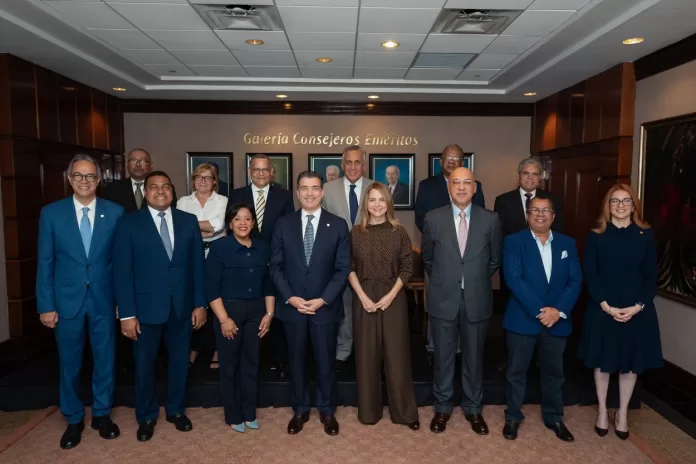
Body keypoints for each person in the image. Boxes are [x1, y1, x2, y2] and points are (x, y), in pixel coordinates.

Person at [36, 154, 124, 449]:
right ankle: (73, 417)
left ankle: (101, 414)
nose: (84, 181)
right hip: (66, 302)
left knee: (105, 360)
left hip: (104, 299)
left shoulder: (115, 212)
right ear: (69, 179)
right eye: (78, 176)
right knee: (70, 362)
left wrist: (122, 302)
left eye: (90, 176)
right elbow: (45, 262)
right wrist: (46, 305)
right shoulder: (51, 213)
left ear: (99, 180)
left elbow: (121, 263)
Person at [113, 170, 207, 442]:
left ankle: (176, 410)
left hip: (181, 307)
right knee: (145, 364)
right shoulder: (129, 224)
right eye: (154, 187)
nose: (161, 191)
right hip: (144, 310)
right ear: (146, 192)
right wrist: (127, 314)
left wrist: (200, 304)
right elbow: (122, 272)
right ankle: (146, 415)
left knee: (180, 362)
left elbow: (197, 267)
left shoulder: (188, 222)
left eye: (166, 186)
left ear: (172, 190)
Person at [421, 167, 502, 435]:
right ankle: (442, 408)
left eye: (467, 182)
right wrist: (450, 278)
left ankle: (473, 408)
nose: (462, 187)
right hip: (444, 299)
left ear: (475, 187)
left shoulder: (491, 219)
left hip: (476, 299)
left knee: (474, 357)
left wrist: (472, 278)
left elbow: (493, 260)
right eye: (456, 182)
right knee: (443, 357)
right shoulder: (433, 218)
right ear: (449, 187)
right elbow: (428, 259)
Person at [578, 184, 663, 440]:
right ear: (608, 205)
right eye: (615, 201)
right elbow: (590, 274)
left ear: (633, 205)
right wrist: (606, 306)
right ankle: (603, 411)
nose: (621, 205)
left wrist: (637, 307)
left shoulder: (645, 235)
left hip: (636, 310)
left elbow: (651, 276)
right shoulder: (596, 235)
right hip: (603, 308)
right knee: (603, 363)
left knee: (630, 366)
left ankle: (622, 413)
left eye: (626, 201)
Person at [270, 170, 350, 436]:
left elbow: (342, 269)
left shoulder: (338, 225)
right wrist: (290, 298)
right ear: (297, 191)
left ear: (322, 191)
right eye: (304, 188)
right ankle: (300, 409)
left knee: (326, 361)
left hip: (323, 308)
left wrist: (322, 299)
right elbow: (276, 267)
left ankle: (327, 411)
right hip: (292, 307)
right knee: (296, 360)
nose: (310, 193)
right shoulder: (284, 224)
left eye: (315, 188)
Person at [501, 196, 582, 442]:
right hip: (522, 320)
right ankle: (513, 417)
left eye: (546, 210)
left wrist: (557, 311)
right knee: (516, 372)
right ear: (527, 215)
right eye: (534, 210)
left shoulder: (568, 243)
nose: (540, 214)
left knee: (554, 373)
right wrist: (541, 310)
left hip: (557, 321)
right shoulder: (514, 242)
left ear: (553, 216)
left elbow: (575, 280)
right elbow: (514, 280)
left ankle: (554, 417)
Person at [348, 183, 419, 429]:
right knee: (367, 356)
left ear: (388, 203)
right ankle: (369, 412)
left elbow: (408, 268)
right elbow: (348, 267)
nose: (377, 204)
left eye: (382, 200)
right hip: (364, 295)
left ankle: (404, 413)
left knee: (396, 355)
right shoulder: (356, 232)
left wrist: (390, 296)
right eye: (372, 200)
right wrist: (362, 297)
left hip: (393, 295)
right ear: (365, 205)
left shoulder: (399, 232)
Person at [205, 204, 275, 433]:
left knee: (251, 364)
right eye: (237, 219)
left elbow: (269, 283)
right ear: (230, 223)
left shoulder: (263, 248)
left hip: (257, 312)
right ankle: (233, 414)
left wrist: (269, 314)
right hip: (228, 312)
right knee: (229, 365)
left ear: (253, 223)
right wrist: (224, 319)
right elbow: (211, 287)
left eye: (247, 219)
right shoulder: (219, 248)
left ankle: (249, 412)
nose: (243, 223)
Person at [415, 144, 485, 365]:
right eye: (448, 158)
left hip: (468, 260)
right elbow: (421, 219)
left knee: (466, 306)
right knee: (436, 305)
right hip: (438, 257)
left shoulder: (476, 186)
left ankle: (462, 349)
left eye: (457, 158)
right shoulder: (427, 186)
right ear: (441, 160)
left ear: (462, 162)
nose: (452, 162)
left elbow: (481, 221)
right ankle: (433, 347)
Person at [230, 154, 295, 379]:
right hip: (244, 259)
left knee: (274, 309)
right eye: (256, 169)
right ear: (249, 171)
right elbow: (233, 226)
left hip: (274, 259)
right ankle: (250, 359)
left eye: (265, 170)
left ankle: (279, 359)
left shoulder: (283, 196)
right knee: (249, 308)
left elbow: (289, 228)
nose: (260, 173)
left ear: (271, 173)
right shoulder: (237, 194)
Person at [322, 145, 374, 368]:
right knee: (341, 304)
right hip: (335, 258)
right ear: (342, 165)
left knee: (367, 305)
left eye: (357, 162)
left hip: (370, 258)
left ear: (363, 165)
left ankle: (367, 352)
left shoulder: (376, 187)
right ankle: (343, 349)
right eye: (348, 162)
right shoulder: (327, 188)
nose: (353, 167)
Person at [176, 163, 228, 369]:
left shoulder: (222, 200)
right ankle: (193, 350)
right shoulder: (183, 201)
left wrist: (193, 226)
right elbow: (180, 228)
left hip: (217, 253)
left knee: (216, 302)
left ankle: (216, 349)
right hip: (191, 256)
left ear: (214, 180)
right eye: (199, 177)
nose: (203, 181)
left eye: (207, 177)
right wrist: (203, 227)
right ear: (193, 180)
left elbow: (219, 225)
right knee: (195, 302)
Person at [493, 157, 564, 237]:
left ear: (540, 177)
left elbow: (557, 231)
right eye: (526, 173)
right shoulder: (502, 201)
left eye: (535, 174)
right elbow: (498, 234)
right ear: (518, 175)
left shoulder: (553, 200)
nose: (530, 177)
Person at [102, 148, 178, 213]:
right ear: (126, 165)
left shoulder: (165, 189)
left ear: (151, 166)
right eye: (133, 161)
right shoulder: (112, 189)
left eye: (143, 161)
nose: (138, 165)